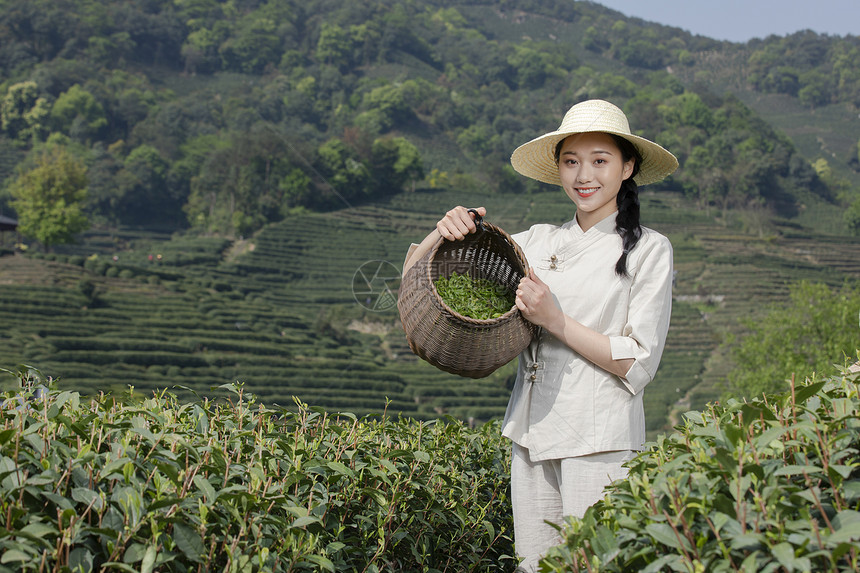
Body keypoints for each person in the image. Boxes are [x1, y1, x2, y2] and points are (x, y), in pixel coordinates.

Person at [405, 99, 678, 571]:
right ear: (558, 169)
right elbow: (414, 279)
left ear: (627, 166)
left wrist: (556, 320)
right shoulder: (536, 241)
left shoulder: (649, 250)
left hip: (599, 442)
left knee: (594, 564)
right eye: (571, 161)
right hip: (531, 434)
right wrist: (444, 230)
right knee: (535, 566)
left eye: (599, 161)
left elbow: (638, 362)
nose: (583, 175)